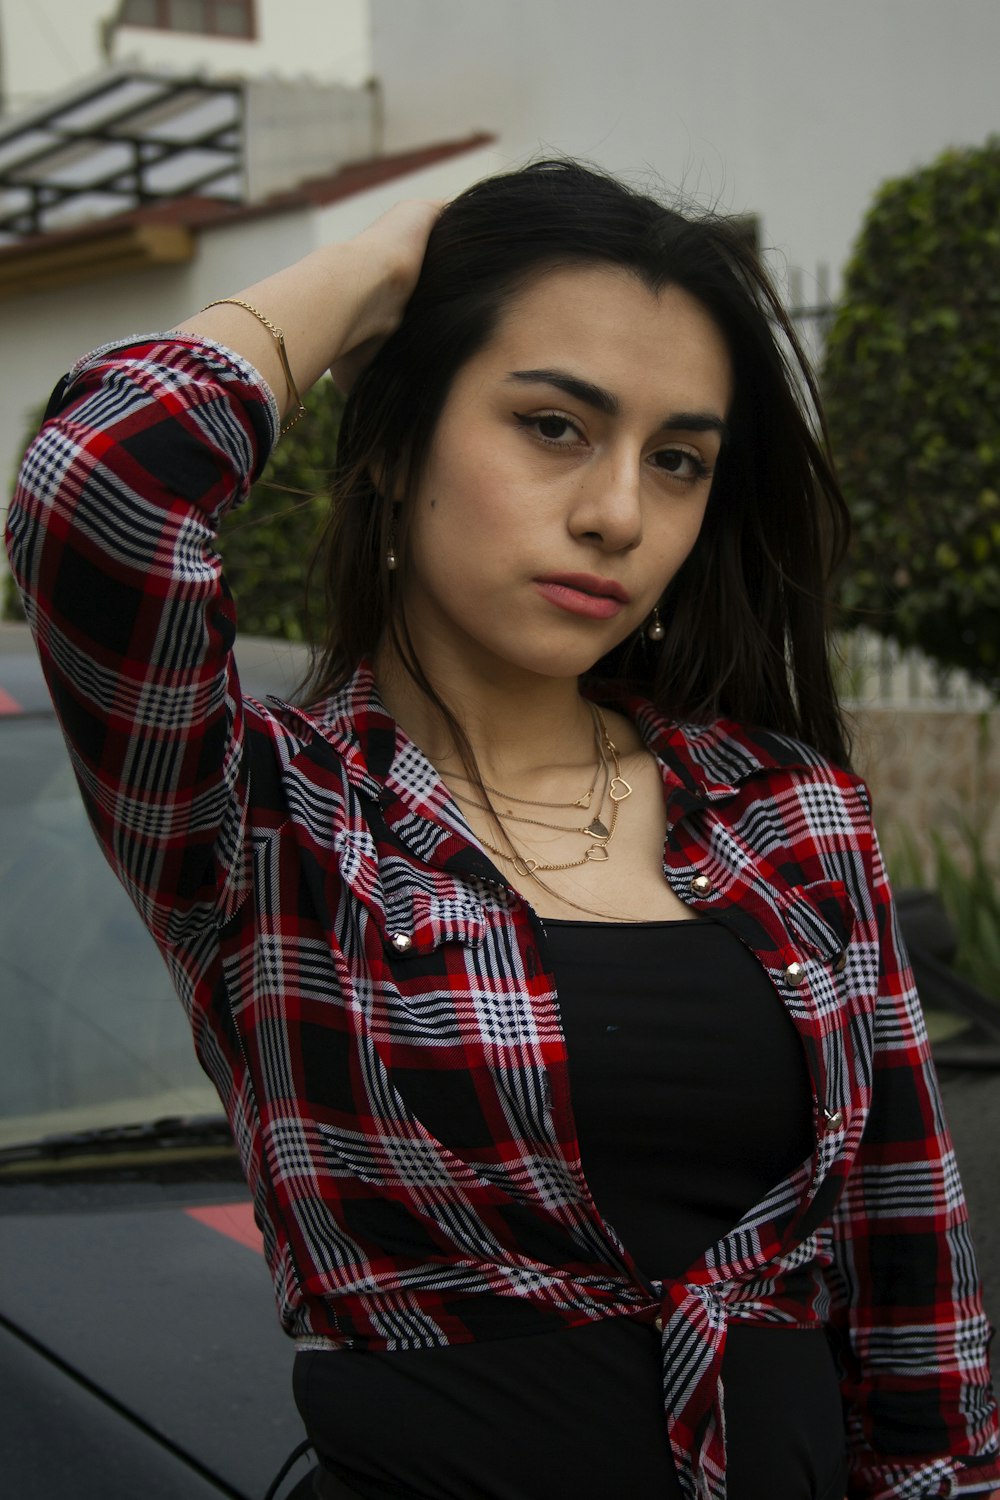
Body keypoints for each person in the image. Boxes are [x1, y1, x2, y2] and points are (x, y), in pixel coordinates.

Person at [6, 159, 999, 1500]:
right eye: (551, 426)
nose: (619, 515)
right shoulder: (269, 819)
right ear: (398, 443)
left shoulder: (787, 811)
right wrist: (372, 268)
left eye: (680, 460)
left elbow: (916, 1299)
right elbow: (100, 486)